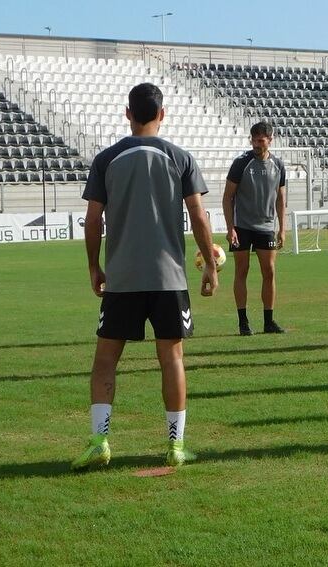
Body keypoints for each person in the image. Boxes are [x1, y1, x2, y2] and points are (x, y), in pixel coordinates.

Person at [72, 82, 218, 470]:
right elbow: (198, 215)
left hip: (122, 277)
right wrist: (210, 263)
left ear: (128, 113)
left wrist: (93, 266)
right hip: (169, 277)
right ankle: (176, 445)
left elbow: (92, 219)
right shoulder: (179, 157)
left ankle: (100, 440)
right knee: (171, 357)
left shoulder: (107, 159)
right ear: (162, 114)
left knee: (105, 360)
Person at [224, 121, 287, 335]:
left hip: (266, 226)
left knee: (269, 272)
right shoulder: (241, 163)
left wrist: (282, 228)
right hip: (242, 226)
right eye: (254, 140)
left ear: (270, 140)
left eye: (261, 140)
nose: (257, 144)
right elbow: (227, 197)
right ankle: (243, 322)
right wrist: (230, 227)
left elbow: (281, 198)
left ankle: (269, 321)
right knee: (241, 271)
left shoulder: (278, 165)